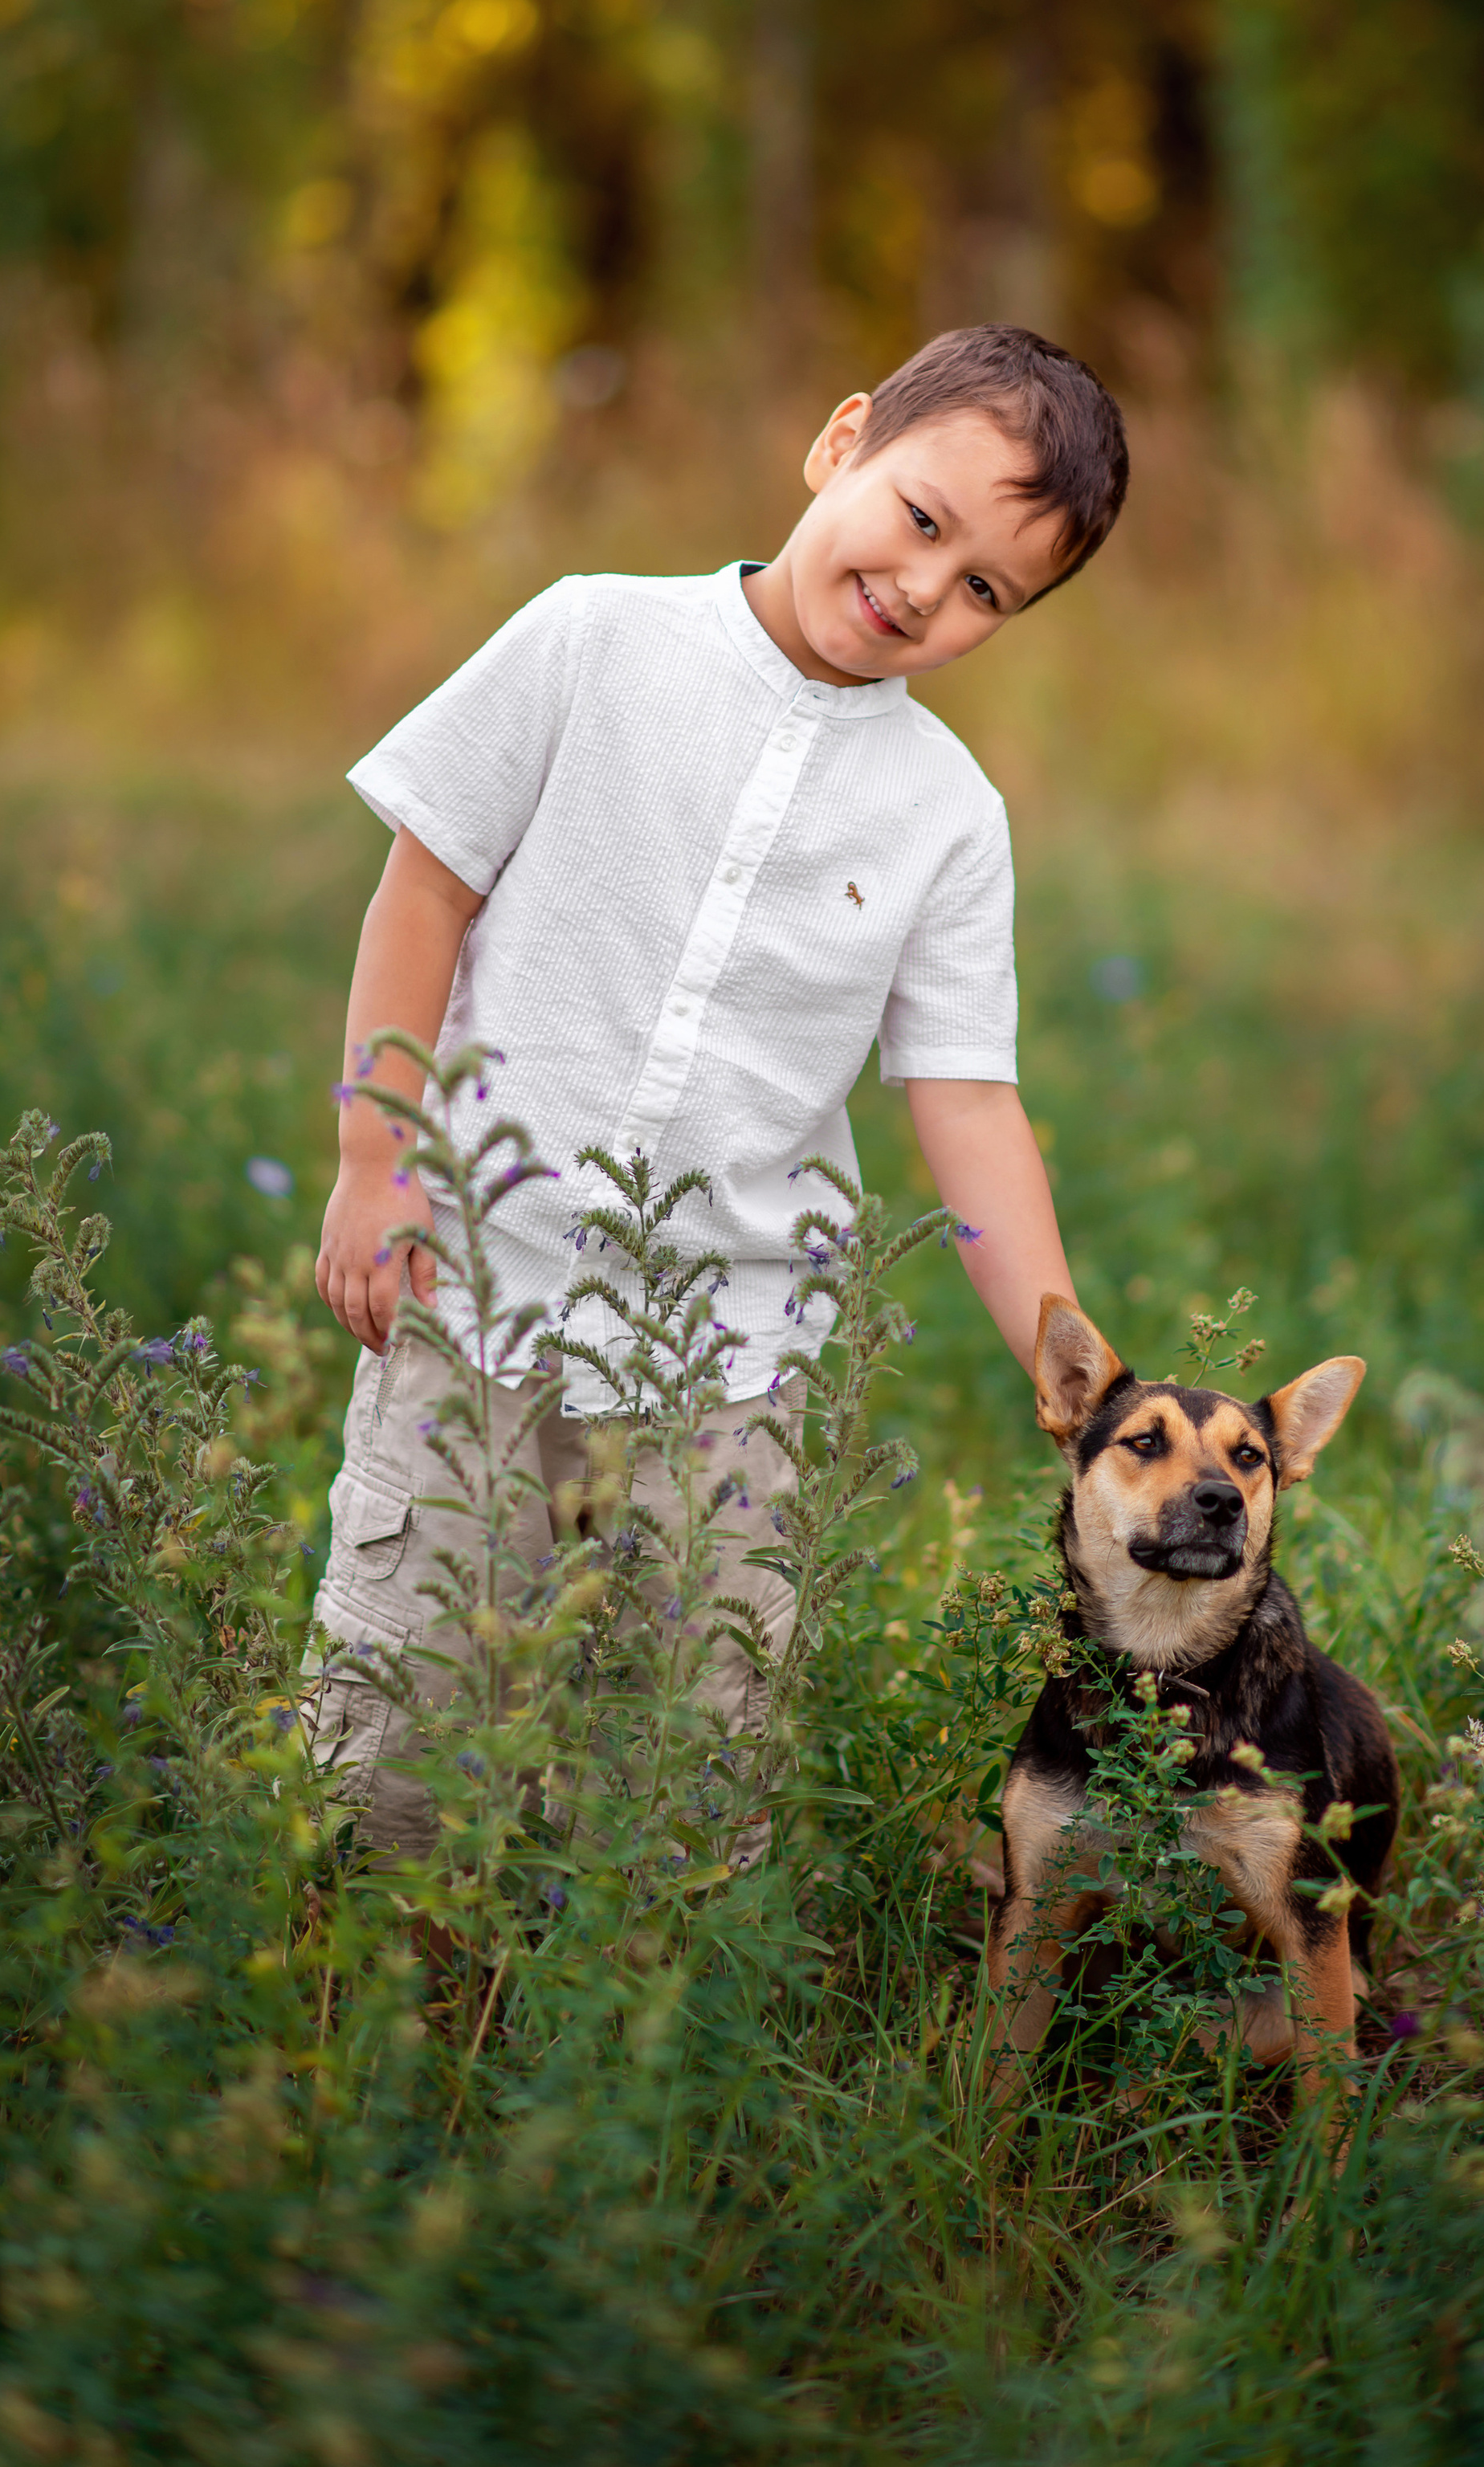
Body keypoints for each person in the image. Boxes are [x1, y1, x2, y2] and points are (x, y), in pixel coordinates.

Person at [308, 321, 1130, 1858]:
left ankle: (630, 2035)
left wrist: (1065, 1358)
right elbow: (423, 895)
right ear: (842, 443)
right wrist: (378, 1157)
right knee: (403, 1718)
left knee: (685, 1754)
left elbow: (966, 1100)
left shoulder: (948, 817)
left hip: (732, 1364)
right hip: (478, 1291)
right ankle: (381, 2010)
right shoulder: (594, 639)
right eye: (924, 520)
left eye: (984, 594)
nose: (922, 590)